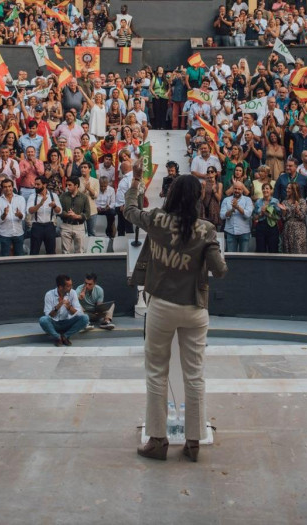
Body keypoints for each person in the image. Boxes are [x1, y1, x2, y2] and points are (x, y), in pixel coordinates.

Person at [125, 172, 228, 463]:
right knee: (195, 376)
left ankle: (158, 441)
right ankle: (193, 442)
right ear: (197, 199)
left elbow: (130, 210)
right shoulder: (206, 230)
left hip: (161, 307)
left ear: (171, 195)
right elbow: (219, 270)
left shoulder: (157, 220)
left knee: (157, 372)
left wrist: (134, 184)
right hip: (195, 309)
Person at [39, 274, 89, 346]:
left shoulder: (73, 293)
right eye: (68, 286)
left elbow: (79, 313)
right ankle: (58, 337)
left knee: (85, 318)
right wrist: (57, 307)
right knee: (43, 320)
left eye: (71, 285)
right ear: (60, 287)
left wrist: (69, 307)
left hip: (67, 322)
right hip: (54, 323)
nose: (71, 288)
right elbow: (48, 315)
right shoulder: (49, 294)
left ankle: (65, 336)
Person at [27, 176, 62, 255]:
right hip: (37, 226)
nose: (36, 186)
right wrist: (40, 204)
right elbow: (30, 211)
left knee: (51, 252)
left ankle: (51, 267)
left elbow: (59, 211)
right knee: (34, 252)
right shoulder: (32, 196)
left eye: (38, 184)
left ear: (45, 184)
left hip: (50, 226)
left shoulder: (53, 196)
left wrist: (54, 206)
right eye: (35, 184)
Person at [0, 178, 26, 256]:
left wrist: (19, 215)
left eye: (9, 186)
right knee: (5, 258)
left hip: (18, 233)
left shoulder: (20, 199)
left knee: (19, 256)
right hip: (5, 234)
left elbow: (23, 216)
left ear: (12, 187)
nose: (8, 188)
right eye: (5, 187)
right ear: (2, 188)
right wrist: (4, 214)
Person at [219, 181, 254, 252]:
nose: (237, 191)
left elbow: (248, 214)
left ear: (242, 190)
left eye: (239, 189)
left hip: (244, 232)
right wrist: (232, 210)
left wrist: (237, 207)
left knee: (244, 258)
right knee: (231, 258)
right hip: (230, 232)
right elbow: (222, 216)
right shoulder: (226, 200)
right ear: (232, 189)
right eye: (235, 188)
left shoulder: (248, 200)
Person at [59, 177, 90, 254]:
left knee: (79, 251)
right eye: (67, 185)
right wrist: (67, 214)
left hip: (79, 226)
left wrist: (77, 216)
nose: (67, 187)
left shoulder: (84, 197)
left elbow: (87, 214)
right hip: (66, 225)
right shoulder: (63, 196)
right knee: (65, 252)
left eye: (70, 185)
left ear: (76, 185)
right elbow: (59, 211)